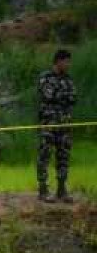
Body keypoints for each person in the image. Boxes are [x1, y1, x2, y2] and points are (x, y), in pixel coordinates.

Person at [38, 48, 76, 202]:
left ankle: (62, 188)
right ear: (58, 61)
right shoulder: (45, 77)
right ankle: (43, 189)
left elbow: (74, 98)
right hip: (49, 123)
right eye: (66, 61)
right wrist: (63, 96)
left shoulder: (68, 79)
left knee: (63, 156)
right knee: (44, 155)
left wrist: (60, 95)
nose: (68, 65)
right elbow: (48, 96)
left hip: (65, 123)